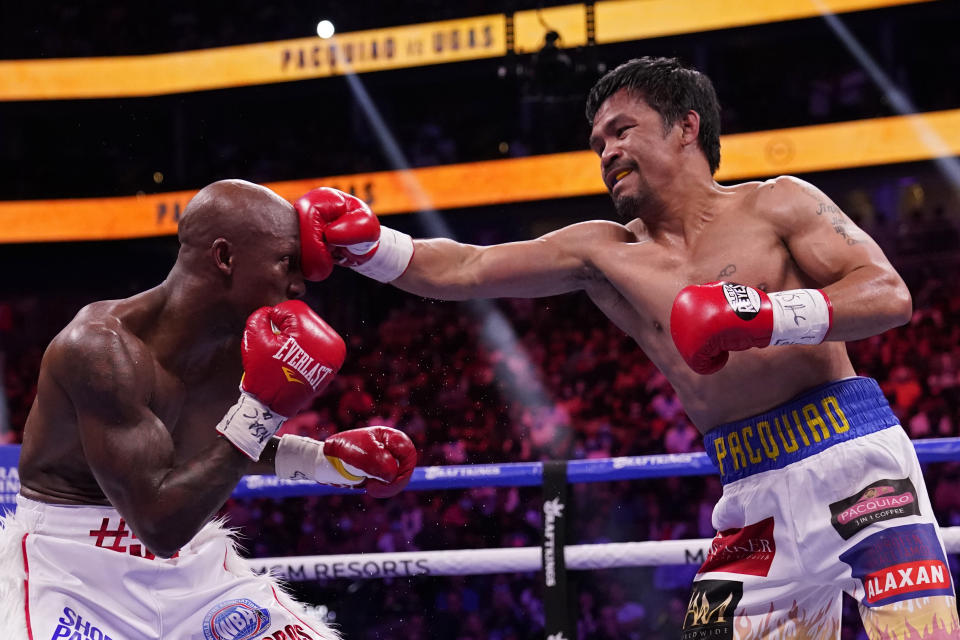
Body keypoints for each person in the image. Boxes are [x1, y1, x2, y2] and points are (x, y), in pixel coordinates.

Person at [292, 58, 959, 638]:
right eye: (598, 142)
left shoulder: (777, 204)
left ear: (688, 126)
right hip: (749, 496)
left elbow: (887, 293)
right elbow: (466, 267)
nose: (606, 150)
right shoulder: (605, 252)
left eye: (622, 130)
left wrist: (762, 314)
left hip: (858, 465)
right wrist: (373, 248)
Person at [0, 179, 417, 640]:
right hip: (73, 568)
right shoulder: (99, 350)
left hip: (192, 571)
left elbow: (209, 444)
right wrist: (260, 409)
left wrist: (321, 461)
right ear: (225, 258)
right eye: (285, 262)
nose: (297, 284)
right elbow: (159, 522)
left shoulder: (241, 344)